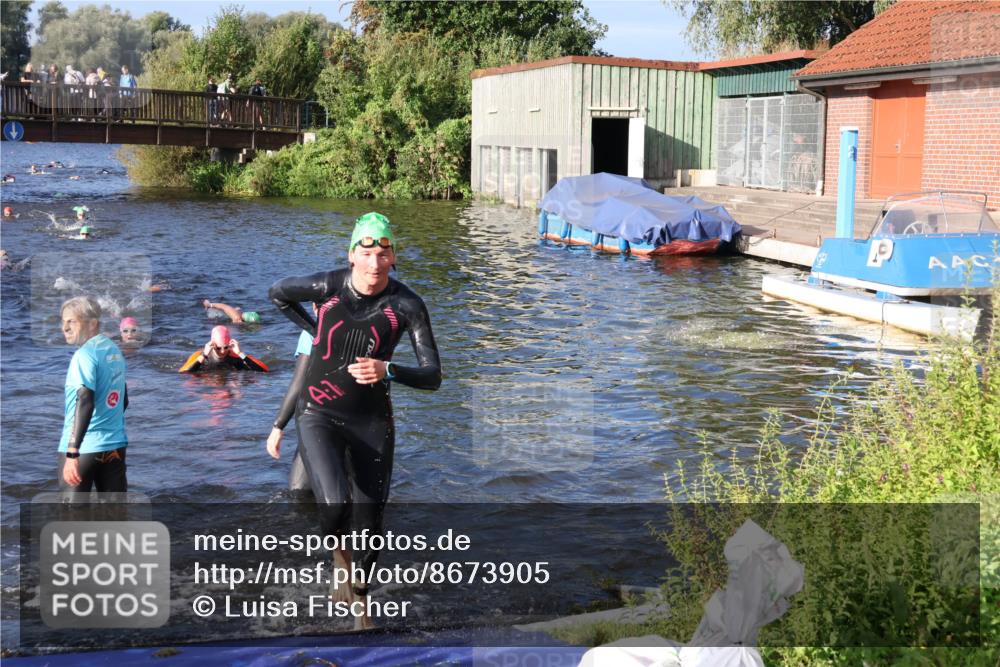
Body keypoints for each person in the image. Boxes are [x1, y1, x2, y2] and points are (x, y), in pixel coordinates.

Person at [268, 212, 442, 630]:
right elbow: (277, 293)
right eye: (366, 252)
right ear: (351, 256)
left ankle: (361, 606)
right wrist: (314, 328)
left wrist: (389, 370)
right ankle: (338, 560)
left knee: (371, 522)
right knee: (333, 506)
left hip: (371, 419)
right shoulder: (326, 286)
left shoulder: (407, 306)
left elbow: (433, 375)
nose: (374, 262)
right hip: (318, 412)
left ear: (394, 258)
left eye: (383, 253)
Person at [58, 296, 129, 493]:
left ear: (92, 324)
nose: (64, 328)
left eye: (71, 321)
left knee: (73, 517)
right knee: (114, 515)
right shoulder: (114, 350)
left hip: (84, 450)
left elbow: (85, 400)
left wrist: (72, 452)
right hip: (114, 445)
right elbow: (123, 399)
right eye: (63, 321)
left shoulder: (84, 355)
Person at [179, 325, 269, 372]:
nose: (222, 351)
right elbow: (184, 373)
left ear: (230, 345)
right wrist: (204, 355)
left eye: (226, 347)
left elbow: (264, 370)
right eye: (218, 348)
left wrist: (240, 353)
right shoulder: (199, 355)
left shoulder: (236, 357)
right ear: (212, 344)